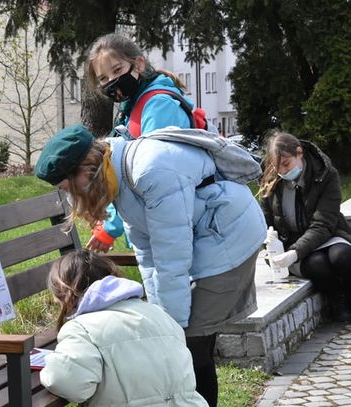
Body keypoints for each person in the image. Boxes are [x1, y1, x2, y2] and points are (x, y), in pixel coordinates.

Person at [35, 124, 266, 406]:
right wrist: (157, 316)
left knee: (190, 345)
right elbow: (146, 253)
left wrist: (169, 327)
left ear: (84, 170)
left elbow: (172, 259)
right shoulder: (116, 176)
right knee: (186, 340)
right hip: (206, 237)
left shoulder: (149, 171)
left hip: (229, 237)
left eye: (66, 188)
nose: (71, 198)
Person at [84, 33, 218, 253]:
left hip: (191, 230)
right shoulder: (132, 108)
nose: (112, 82)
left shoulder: (159, 107)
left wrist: (111, 227)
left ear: (138, 63)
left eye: (117, 70)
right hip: (168, 226)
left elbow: (151, 177)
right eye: (103, 79)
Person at [40, 249, 209, 407]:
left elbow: (67, 383)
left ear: (64, 293)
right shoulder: (157, 313)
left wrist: (51, 364)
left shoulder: (81, 329)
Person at [259, 130, 351, 321]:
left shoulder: (326, 174)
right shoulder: (270, 182)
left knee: (342, 256)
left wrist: (295, 252)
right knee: (318, 264)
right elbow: (265, 222)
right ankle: (335, 301)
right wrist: (268, 240)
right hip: (290, 244)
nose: (283, 172)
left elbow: (324, 223)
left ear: (299, 153)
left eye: (286, 164)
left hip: (328, 235)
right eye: (278, 168)